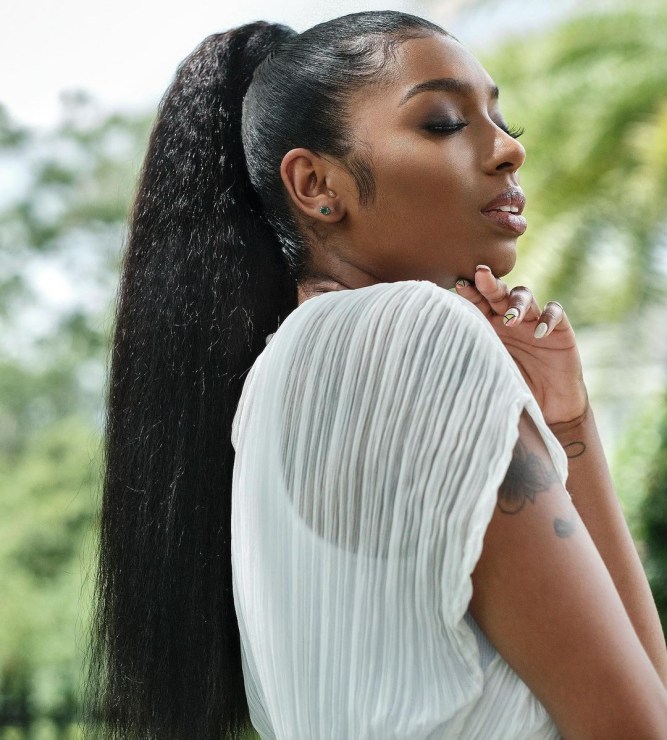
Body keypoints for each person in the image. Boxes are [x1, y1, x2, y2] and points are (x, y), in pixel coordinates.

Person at [85, 10, 667, 739]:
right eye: (444, 123)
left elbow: (645, 696)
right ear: (315, 183)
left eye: (502, 120)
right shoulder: (418, 333)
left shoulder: (270, 383)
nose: (510, 149)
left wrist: (565, 417)